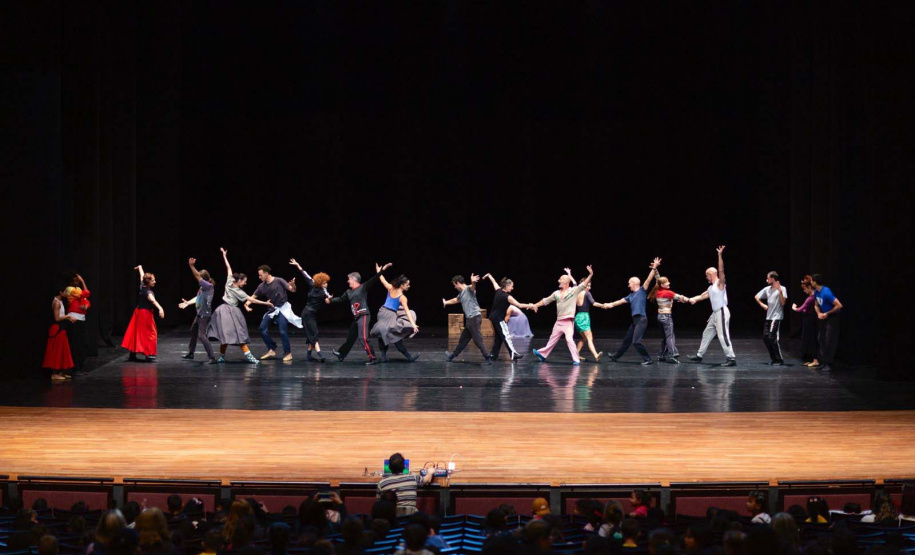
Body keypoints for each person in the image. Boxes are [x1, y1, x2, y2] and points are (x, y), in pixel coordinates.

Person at [207, 248, 271, 364]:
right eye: (244, 281)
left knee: (226, 334)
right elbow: (252, 300)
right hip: (229, 312)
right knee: (237, 334)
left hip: (223, 311)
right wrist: (266, 303)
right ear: (239, 280)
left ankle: (222, 356)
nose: (245, 283)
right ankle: (248, 357)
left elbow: (228, 267)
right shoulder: (236, 288)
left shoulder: (230, 281)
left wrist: (224, 255)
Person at [329, 263, 392, 365]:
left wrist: (381, 271)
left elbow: (374, 279)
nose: (348, 281)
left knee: (363, 338)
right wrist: (330, 300)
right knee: (351, 338)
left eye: (349, 279)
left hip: (364, 315)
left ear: (354, 279)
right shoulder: (349, 292)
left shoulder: (363, 287)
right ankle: (341, 354)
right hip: (357, 318)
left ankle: (373, 358)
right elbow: (340, 299)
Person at [531, 265, 595, 365]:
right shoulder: (556, 293)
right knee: (552, 340)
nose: (558, 280)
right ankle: (542, 355)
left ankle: (576, 359)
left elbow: (583, 284)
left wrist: (590, 274)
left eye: (560, 279)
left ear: (565, 281)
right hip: (559, 321)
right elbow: (545, 301)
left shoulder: (573, 291)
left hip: (568, 322)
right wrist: (535, 305)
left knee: (569, 339)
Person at [687, 246, 737, 367]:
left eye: (707, 275)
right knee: (707, 333)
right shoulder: (711, 288)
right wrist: (689, 299)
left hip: (722, 311)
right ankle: (699, 355)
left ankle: (731, 358)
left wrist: (719, 256)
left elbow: (721, 270)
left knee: (722, 335)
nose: (706, 277)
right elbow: (700, 296)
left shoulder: (720, 284)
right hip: (715, 313)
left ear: (711, 274)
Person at [606, 259, 661, 365]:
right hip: (635, 321)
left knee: (636, 341)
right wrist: (609, 305)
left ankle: (648, 359)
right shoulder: (630, 296)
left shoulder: (642, 290)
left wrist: (655, 268)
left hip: (641, 319)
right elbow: (619, 301)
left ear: (634, 283)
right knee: (627, 340)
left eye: (629, 283)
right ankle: (615, 356)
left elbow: (649, 280)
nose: (628, 285)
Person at [245, 264, 301, 361]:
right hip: (272, 310)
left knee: (283, 331)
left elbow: (292, 290)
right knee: (262, 328)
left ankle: (288, 353)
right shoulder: (262, 286)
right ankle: (271, 349)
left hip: (282, 309)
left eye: (261, 275)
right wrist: (247, 304)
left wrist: (293, 285)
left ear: (266, 273)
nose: (259, 277)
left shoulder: (278, 280)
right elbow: (253, 297)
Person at [482, 273, 536, 361]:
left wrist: (489, 275)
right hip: (498, 319)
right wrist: (531, 305)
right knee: (506, 335)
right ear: (507, 286)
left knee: (499, 338)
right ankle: (513, 353)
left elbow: (494, 282)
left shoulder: (498, 290)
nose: (512, 288)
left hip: (493, 317)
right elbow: (519, 305)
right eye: (511, 286)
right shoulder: (508, 297)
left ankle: (493, 355)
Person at [444, 274, 493, 365]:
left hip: (474, 318)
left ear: (458, 283)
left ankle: (487, 358)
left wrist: (473, 281)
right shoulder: (461, 294)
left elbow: (472, 286)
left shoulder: (468, 289)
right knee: (463, 339)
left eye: (454, 285)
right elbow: (455, 300)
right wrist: (446, 302)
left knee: (477, 339)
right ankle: (452, 356)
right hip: (470, 320)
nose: (454, 287)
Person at [566, 269, 613, 363]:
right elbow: (594, 303)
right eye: (588, 285)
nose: (589, 287)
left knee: (583, 338)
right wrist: (604, 305)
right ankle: (596, 355)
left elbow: (574, 283)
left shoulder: (576, 291)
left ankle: (577, 354)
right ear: (584, 284)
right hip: (584, 317)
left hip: (577, 317)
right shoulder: (587, 293)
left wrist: (569, 274)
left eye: (590, 286)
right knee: (589, 338)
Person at [371, 273, 420, 363]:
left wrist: (379, 272)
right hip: (389, 315)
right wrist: (413, 324)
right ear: (401, 285)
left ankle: (383, 357)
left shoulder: (391, 288)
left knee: (384, 333)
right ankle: (409, 357)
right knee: (395, 336)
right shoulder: (402, 297)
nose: (409, 286)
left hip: (382, 312)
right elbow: (407, 312)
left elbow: (383, 280)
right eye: (407, 284)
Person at [289, 258, 331, 362]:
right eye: (325, 283)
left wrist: (329, 299)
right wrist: (297, 264)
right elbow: (304, 274)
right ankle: (320, 354)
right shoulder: (312, 284)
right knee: (314, 333)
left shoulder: (324, 291)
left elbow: (327, 301)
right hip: (307, 313)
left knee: (311, 333)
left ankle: (308, 355)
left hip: (311, 314)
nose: (326, 284)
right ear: (320, 282)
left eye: (327, 282)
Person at [177, 258, 218, 364]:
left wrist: (191, 266)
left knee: (202, 335)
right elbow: (197, 298)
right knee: (193, 330)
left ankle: (212, 357)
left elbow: (197, 276)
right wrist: (187, 303)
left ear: (203, 279)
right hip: (200, 314)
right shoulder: (202, 288)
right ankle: (191, 353)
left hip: (204, 315)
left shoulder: (208, 286)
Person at [122, 265, 164, 362]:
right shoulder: (148, 292)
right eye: (153, 280)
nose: (155, 282)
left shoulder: (143, 285)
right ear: (148, 282)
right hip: (145, 314)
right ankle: (149, 354)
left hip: (138, 312)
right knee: (150, 333)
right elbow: (153, 301)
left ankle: (133, 353)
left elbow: (142, 276)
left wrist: (140, 268)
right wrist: (160, 308)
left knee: (136, 332)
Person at [376, 453, 434, 517]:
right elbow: (427, 479)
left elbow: (379, 504)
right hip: (411, 520)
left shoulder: (382, 483)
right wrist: (430, 472)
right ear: (404, 466)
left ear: (389, 467)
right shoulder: (413, 478)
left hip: (392, 520)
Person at [648, 273, 689, 364]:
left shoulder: (658, 291)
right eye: (667, 282)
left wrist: (655, 270)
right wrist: (690, 300)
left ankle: (661, 355)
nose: (669, 283)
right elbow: (680, 297)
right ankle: (672, 354)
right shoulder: (668, 293)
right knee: (670, 337)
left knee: (665, 337)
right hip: (666, 317)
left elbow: (658, 280)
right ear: (662, 285)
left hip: (659, 317)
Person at [810, 274, 843, 372]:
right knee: (821, 338)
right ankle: (824, 361)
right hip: (824, 317)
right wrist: (819, 313)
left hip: (832, 318)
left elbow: (839, 305)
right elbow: (816, 305)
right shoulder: (816, 292)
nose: (811, 282)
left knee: (829, 340)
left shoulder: (826, 292)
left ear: (815, 282)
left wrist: (827, 313)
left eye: (812, 281)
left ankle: (829, 363)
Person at [754, 271, 788, 365]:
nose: (767, 280)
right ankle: (774, 358)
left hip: (776, 317)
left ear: (773, 278)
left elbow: (783, 303)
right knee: (765, 338)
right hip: (768, 317)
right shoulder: (767, 289)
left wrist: (780, 291)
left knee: (772, 337)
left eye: (768, 278)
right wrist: (762, 305)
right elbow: (756, 296)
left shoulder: (782, 289)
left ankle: (779, 359)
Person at [44, 285, 77, 381]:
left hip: (61, 328)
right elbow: (57, 318)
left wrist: (69, 317)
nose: (67, 294)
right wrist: (68, 316)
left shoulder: (61, 302)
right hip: (57, 329)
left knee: (63, 350)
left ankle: (61, 372)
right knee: (57, 351)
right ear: (60, 292)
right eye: (65, 292)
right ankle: (54, 374)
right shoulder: (56, 303)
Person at [64, 273, 91, 371]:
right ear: (71, 281)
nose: (77, 282)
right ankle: (74, 365)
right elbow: (86, 294)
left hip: (82, 319)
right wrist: (83, 281)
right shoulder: (69, 289)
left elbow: (86, 299)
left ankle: (80, 363)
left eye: (78, 281)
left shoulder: (79, 289)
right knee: (75, 344)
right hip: (74, 319)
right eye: (75, 280)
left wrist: (87, 305)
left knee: (83, 343)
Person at [791, 276, 819, 366]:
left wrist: (793, 307)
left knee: (811, 340)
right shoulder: (813, 296)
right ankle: (811, 359)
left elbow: (800, 309)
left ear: (810, 287)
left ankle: (815, 360)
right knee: (807, 340)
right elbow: (806, 309)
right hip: (809, 319)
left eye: (805, 289)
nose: (804, 291)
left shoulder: (810, 298)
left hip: (810, 321)